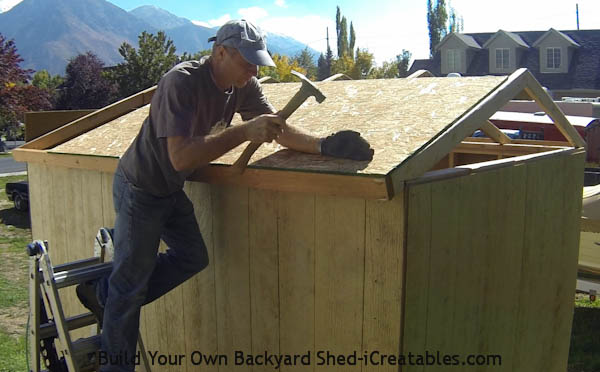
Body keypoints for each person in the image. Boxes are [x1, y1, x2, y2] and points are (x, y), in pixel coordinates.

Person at [76, 19, 373, 371]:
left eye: (256, 62)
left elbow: (272, 126)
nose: (253, 70)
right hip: (140, 187)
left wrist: (322, 145)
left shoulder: (242, 85)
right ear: (220, 52)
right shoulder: (181, 82)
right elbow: (181, 156)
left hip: (170, 187)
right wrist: (245, 131)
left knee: (192, 258)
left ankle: (105, 294)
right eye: (247, 62)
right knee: (130, 286)